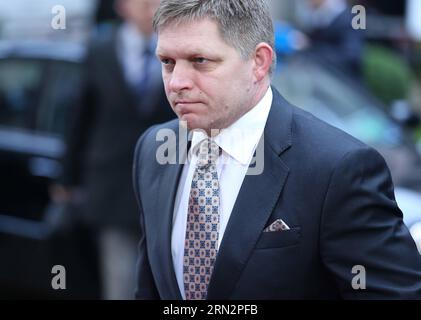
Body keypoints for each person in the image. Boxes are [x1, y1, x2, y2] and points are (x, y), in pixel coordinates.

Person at [132, 0, 421, 299]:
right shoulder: (153, 150)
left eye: (200, 60)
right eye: (167, 62)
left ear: (259, 61)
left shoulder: (337, 168)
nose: (177, 82)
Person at [52, 0, 174, 299]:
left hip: (168, 186)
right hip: (111, 189)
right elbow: (80, 119)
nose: (149, 6)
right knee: (120, 284)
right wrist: (67, 179)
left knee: (167, 282)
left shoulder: (178, 51)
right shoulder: (99, 50)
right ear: (122, 6)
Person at [298, 0, 364, 79]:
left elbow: (351, 55)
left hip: (342, 81)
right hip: (323, 77)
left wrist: (312, 49)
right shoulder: (320, 15)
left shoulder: (349, 18)